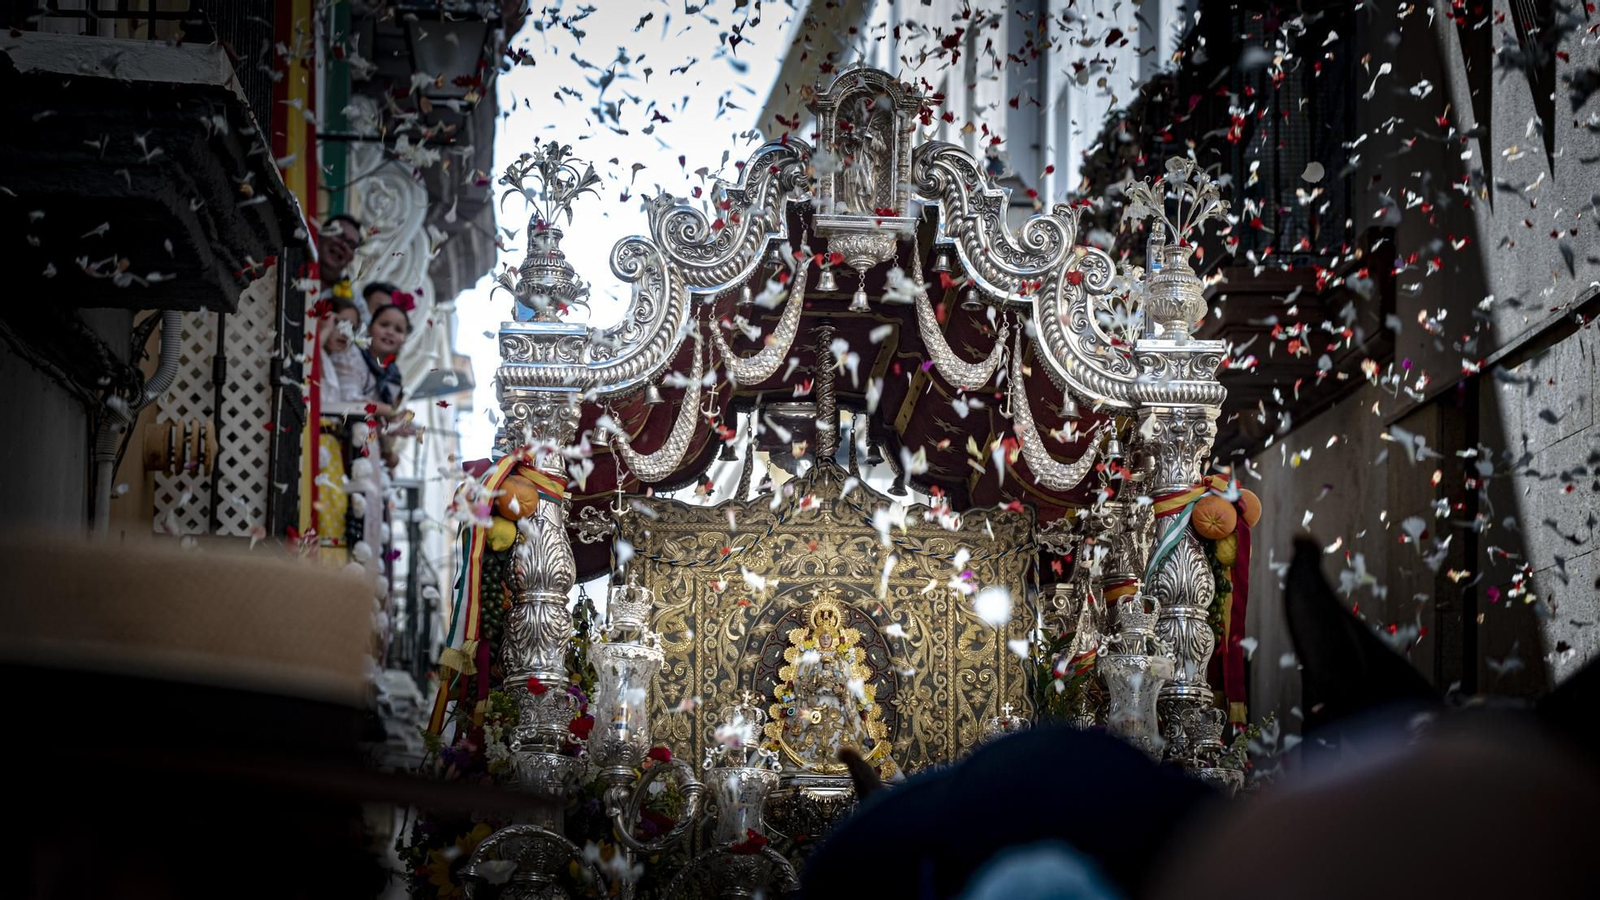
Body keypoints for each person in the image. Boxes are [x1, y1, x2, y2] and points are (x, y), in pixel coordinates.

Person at [317, 296, 367, 410]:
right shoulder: (313, 352)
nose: (346, 333)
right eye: (340, 323)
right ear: (325, 319)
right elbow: (308, 360)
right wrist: (325, 330)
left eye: (352, 328)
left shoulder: (334, 362)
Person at [317, 214, 364, 295]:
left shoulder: (354, 301)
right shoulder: (291, 260)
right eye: (339, 235)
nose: (343, 245)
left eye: (351, 244)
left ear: (352, 257)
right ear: (321, 235)